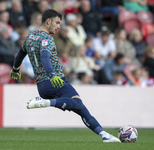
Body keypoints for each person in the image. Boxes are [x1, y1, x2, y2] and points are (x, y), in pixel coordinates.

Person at [10, 9, 120, 143]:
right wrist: (52, 75)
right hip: (55, 81)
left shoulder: (30, 38)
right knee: (78, 104)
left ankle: (104, 135)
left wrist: (15, 69)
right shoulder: (47, 39)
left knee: (80, 107)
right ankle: (45, 102)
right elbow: (45, 56)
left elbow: (21, 53)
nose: (58, 26)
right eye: (56, 22)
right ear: (48, 21)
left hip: (41, 85)